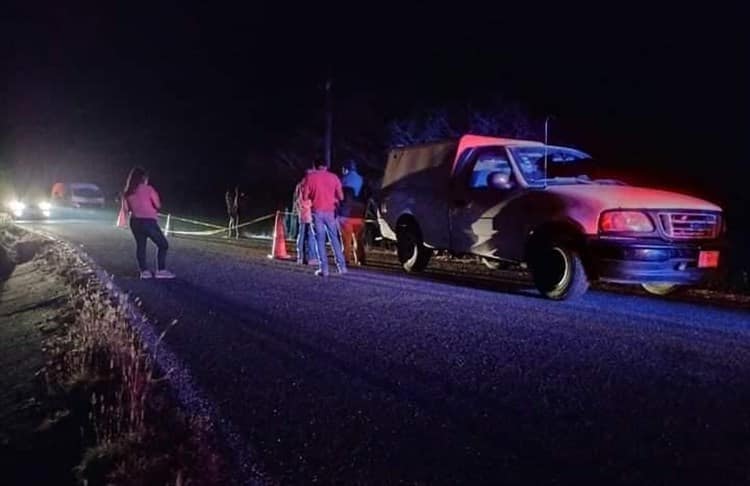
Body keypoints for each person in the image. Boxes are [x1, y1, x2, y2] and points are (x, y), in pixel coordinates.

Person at [122, 167, 175, 279]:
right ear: (144, 178)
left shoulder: (128, 192)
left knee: (141, 246)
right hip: (149, 221)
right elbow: (158, 204)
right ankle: (161, 270)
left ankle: (144, 271)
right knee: (163, 244)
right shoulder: (149, 189)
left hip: (135, 221)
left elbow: (126, 209)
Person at [302, 160, 347, 277]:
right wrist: (333, 198)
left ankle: (324, 269)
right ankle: (342, 267)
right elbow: (341, 197)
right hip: (330, 212)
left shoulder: (310, 177)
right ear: (326, 166)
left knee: (320, 240)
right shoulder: (334, 177)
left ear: (315, 166)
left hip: (316, 211)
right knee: (334, 239)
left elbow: (305, 196)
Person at [294, 172, 319, 265]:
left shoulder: (299, 186)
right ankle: (312, 258)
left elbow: (296, 200)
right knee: (311, 236)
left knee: (301, 235)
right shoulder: (310, 185)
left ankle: (300, 257)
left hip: (302, 213)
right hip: (310, 213)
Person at [338, 187, 366, 265]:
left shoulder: (342, 204)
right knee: (358, 240)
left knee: (346, 242)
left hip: (346, 221)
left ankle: (346, 259)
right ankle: (359, 259)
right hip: (359, 221)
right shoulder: (360, 204)